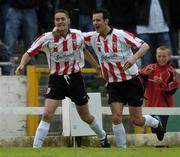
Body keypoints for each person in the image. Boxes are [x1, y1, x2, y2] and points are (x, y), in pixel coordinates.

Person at [15, 9, 110, 148]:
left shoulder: (78, 35)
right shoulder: (47, 37)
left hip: (75, 79)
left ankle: (102, 137)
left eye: (62, 19)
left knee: (86, 117)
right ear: (54, 22)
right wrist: (22, 64)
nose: (60, 22)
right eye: (57, 19)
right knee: (47, 114)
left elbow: (83, 48)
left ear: (68, 20)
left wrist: (96, 66)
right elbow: (29, 52)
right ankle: (35, 149)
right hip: (56, 79)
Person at [83, 8, 165, 148]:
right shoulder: (92, 37)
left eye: (98, 20)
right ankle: (122, 150)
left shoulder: (120, 35)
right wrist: (96, 65)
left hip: (131, 81)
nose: (95, 23)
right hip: (113, 83)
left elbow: (145, 46)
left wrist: (133, 57)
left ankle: (156, 122)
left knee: (137, 120)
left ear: (106, 21)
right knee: (116, 117)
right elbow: (76, 41)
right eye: (93, 20)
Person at [139, 46, 179, 135]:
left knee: (160, 131)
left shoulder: (172, 72)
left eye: (164, 56)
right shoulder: (149, 68)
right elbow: (138, 79)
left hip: (164, 107)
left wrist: (161, 83)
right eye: (159, 56)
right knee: (155, 131)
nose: (161, 58)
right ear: (156, 56)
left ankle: (162, 146)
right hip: (150, 105)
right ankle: (162, 147)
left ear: (168, 57)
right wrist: (145, 75)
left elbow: (172, 90)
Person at [135, 0, 174, 67]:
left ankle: (168, 77)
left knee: (167, 61)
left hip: (163, 28)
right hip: (144, 30)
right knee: (146, 63)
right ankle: (147, 77)